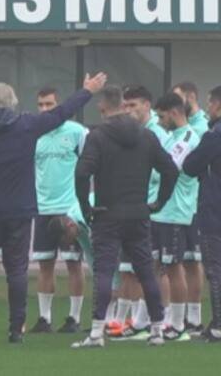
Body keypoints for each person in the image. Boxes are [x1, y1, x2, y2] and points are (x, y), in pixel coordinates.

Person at [0, 73, 106, 345]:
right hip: (19, 210)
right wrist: (86, 91)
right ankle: (16, 329)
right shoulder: (25, 126)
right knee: (17, 270)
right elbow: (61, 113)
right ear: (13, 102)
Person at [71, 85, 179, 349]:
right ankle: (157, 329)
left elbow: (82, 173)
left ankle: (97, 332)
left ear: (102, 107)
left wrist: (86, 207)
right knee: (146, 271)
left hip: (107, 214)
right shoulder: (147, 136)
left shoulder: (98, 136)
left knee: (104, 271)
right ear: (123, 105)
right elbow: (170, 170)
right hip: (138, 213)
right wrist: (159, 202)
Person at [111, 85, 170, 339]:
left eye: (133, 105)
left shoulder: (158, 134)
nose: (128, 110)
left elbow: (166, 170)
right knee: (138, 268)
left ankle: (160, 321)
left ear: (147, 105)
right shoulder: (134, 133)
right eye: (125, 106)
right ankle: (141, 321)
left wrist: (156, 201)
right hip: (137, 209)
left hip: (155, 209)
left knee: (156, 267)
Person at [30, 87, 89, 335]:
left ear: (59, 105)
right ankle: (44, 318)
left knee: (74, 263)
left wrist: (83, 203)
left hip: (69, 209)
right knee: (45, 264)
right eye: (41, 105)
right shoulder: (33, 134)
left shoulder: (77, 132)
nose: (45, 109)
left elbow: (90, 166)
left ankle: (74, 318)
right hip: (42, 208)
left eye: (49, 104)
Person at [150, 93, 200, 342]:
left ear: (174, 112)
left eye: (162, 117)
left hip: (176, 212)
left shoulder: (188, 138)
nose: (160, 122)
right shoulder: (173, 137)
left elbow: (167, 169)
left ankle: (179, 325)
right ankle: (168, 318)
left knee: (174, 266)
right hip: (163, 212)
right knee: (162, 266)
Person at [183, 84, 221, 342]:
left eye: (210, 103)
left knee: (215, 269)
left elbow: (190, 165)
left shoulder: (214, 135)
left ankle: (218, 325)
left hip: (214, 210)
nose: (208, 108)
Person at [172, 81, 209, 335]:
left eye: (178, 98)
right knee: (180, 262)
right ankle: (182, 316)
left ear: (190, 97)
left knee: (193, 262)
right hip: (179, 205)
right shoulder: (180, 127)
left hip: (195, 204)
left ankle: (194, 318)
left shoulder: (202, 127)